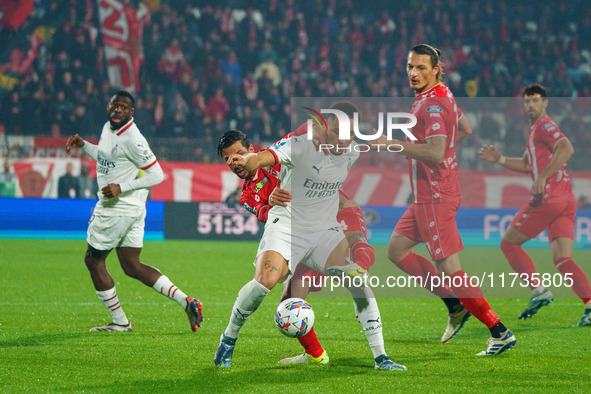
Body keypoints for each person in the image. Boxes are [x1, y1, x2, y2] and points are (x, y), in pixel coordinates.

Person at [214, 102, 406, 371]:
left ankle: (381, 357)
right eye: (336, 130)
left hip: (324, 230)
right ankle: (228, 339)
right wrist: (251, 162)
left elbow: (313, 124)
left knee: (357, 281)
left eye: (348, 131)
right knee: (264, 283)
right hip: (287, 226)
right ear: (325, 129)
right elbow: (263, 159)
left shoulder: (353, 151)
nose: (342, 137)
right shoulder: (299, 147)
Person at [372, 44, 516, 355]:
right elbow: (464, 128)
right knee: (396, 249)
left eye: (421, 67)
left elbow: (436, 151)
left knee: (451, 268)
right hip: (429, 196)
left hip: (435, 197)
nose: (413, 72)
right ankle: (454, 304)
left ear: (437, 68)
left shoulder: (432, 105)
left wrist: (392, 145)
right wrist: (443, 149)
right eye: (410, 66)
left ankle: (498, 330)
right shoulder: (441, 95)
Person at [65, 90, 203, 332]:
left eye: (124, 107)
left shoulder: (133, 138)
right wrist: (84, 146)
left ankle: (120, 323)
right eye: (114, 105)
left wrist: (121, 187)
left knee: (93, 261)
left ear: (131, 112)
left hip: (117, 208)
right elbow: (108, 157)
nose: (118, 109)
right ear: (108, 107)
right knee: (132, 265)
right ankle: (186, 301)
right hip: (134, 207)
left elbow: (157, 174)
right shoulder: (109, 129)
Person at [479, 83, 591, 326]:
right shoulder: (534, 131)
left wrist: (543, 177)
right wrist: (499, 160)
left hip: (549, 198)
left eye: (536, 101)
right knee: (563, 259)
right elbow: (528, 165)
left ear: (545, 103)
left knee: (509, 244)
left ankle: (539, 291)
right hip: (566, 199)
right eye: (527, 101)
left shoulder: (544, 125)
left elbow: (566, 147)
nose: (531, 105)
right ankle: (590, 306)